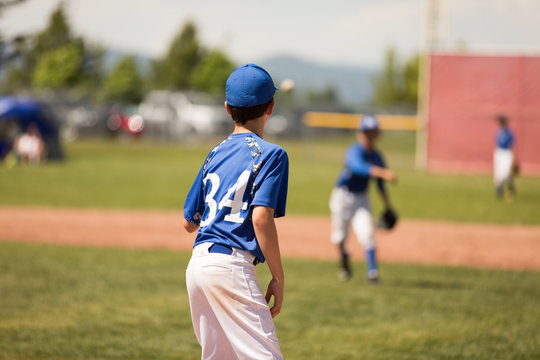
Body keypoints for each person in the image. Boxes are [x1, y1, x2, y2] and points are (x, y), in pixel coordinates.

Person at [183, 64, 288, 359]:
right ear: (271, 107)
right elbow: (260, 217)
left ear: (228, 108)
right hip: (231, 268)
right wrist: (278, 276)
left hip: (198, 267)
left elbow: (189, 222)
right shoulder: (272, 154)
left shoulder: (214, 153)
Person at [329, 115, 397, 283]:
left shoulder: (377, 156)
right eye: (366, 132)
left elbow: (380, 185)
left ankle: (372, 273)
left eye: (372, 132)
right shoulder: (354, 151)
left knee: (367, 234)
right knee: (340, 237)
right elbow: (358, 167)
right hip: (342, 197)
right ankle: (344, 258)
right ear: (359, 134)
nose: (368, 136)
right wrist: (382, 172)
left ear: (377, 135)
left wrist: (387, 205)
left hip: (361, 198)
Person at [493, 114, 517, 202]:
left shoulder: (509, 133)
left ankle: (510, 190)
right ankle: (499, 191)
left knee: (507, 174)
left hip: (507, 153)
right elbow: (497, 144)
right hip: (499, 153)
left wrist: (513, 159)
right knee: (498, 173)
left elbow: (513, 146)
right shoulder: (498, 132)